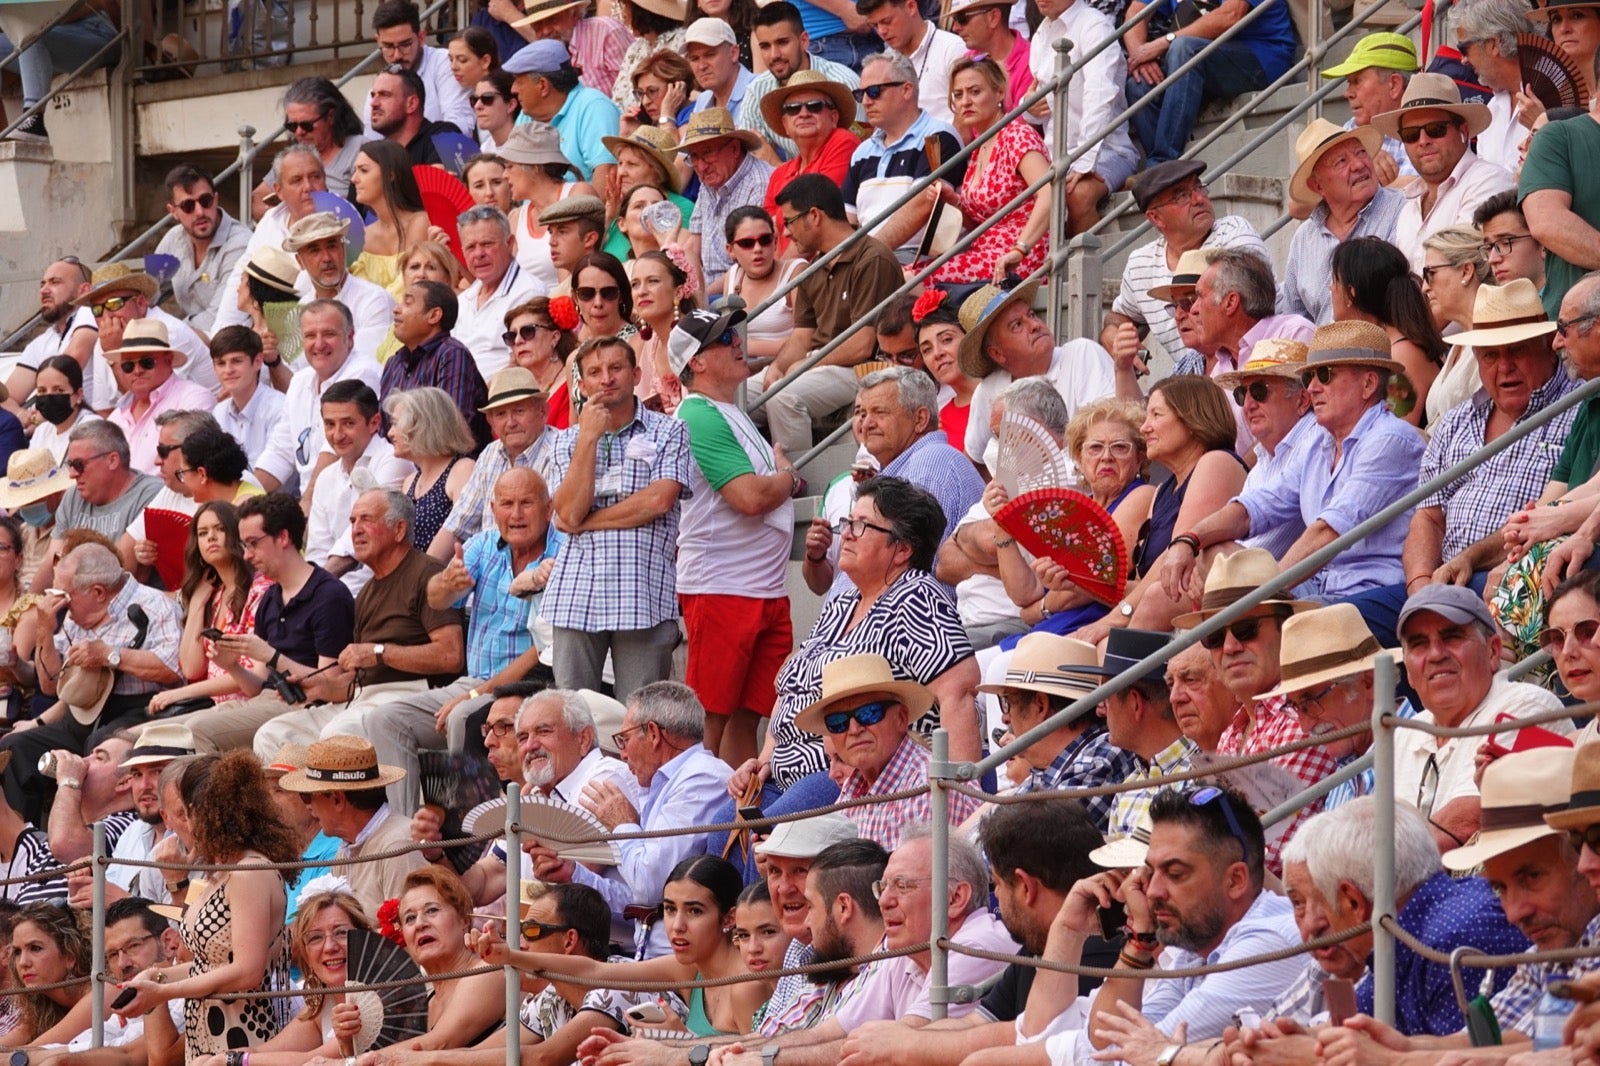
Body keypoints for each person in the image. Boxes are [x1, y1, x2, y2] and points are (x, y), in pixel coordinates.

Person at [1350, 280, 1578, 642]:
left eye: (1516, 351)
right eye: (1490, 355)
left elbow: (1561, 514)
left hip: (1511, 577)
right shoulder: (1457, 421)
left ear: (1547, 347)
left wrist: (1468, 561)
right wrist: (1421, 587)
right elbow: (1427, 516)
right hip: (1445, 580)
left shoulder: (1576, 410)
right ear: (1476, 360)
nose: (1504, 367)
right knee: (1340, 621)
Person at [1008, 786, 1301, 1065]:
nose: (1150, 892)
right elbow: (1105, 1048)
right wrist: (1133, 940)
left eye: (1174, 873)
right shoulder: (1196, 945)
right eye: (1149, 873)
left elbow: (1122, 1059)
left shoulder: (1268, 941)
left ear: (1236, 880)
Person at [1161, 321, 1427, 600]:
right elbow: (1256, 507)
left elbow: (1329, 533)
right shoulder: (1320, 444)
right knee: (1213, 555)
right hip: (1319, 588)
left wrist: (1262, 597)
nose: (1311, 388)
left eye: (1324, 375)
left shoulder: (1389, 439)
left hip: (1371, 593)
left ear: (1369, 384)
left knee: (1249, 616)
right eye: (1309, 377)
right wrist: (1189, 539)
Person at [761, 476, 982, 791]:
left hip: (851, 776)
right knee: (716, 833)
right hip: (779, 775)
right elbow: (790, 688)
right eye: (848, 522)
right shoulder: (843, 603)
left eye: (862, 525)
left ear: (903, 548)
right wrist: (765, 759)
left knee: (756, 839)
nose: (846, 534)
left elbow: (958, 692)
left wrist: (957, 802)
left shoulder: (915, 597)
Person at [1266, 796, 1527, 1039]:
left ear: (1353, 902)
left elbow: (1465, 1057)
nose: (1313, 923)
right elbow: (1343, 1033)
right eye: (1299, 903)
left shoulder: (1451, 942)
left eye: (1322, 900)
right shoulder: (1400, 941)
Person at [668, 309, 797, 767]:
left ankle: (738, 826)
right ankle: (695, 822)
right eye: (724, 338)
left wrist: (778, 480)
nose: (737, 340)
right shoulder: (698, 414)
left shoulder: (727, 412)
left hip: (759, 588)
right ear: (697, 362)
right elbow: (750, 497)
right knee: (711, 720)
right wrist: (787, 477)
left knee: (747, 718)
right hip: (721, 588)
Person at [116, 752, 298, 1057]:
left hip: (242, 1036)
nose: (178, 826)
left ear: (209, 814)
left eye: (186, 813)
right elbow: (207, 964)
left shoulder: (249, 872)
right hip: (208, 1035)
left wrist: (163, 992)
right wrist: (155, 976)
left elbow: (247, 971)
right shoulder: (222, 872)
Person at [545, 337, 690, 699]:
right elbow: (568, 511)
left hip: (641, 592)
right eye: (594, 372)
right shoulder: (567, 441)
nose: (606, 378)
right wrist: (588, 440)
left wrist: (587, 523)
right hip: (576, 593)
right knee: (572, 717)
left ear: (636, 373)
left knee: (642, 718)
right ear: (581, 385)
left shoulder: (669, 429)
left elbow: (658, 500)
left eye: (616, 368)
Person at [484, 855, 769, 1034]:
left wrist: (682, 1042)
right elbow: (595, 972)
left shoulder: (746, 986)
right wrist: (508, 955)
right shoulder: (689, 969)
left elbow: (755, 1059)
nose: (677, 925)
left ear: (729, 918)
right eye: (670, 910)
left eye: (694, 911)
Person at [170, 492, 356, 755]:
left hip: (305, 705)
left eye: (253, 543)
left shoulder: (329, 596)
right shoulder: (271, 597)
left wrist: (272, 655)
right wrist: (230, 665)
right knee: (158, 734)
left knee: (198, 728)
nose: (246, 555)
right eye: (244, 545)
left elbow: (328, 685)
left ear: (283, 538)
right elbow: (255, 685)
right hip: (264, 699)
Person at [1391, 584, 1567, 851]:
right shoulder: (1403, 735)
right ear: (1409, 673)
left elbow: (1465, 823)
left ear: (1493, 651)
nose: (1436, 654)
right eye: (1419, 644)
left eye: (1451, 638)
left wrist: (1375, 872)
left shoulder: (1527, 706)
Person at [1074, 375, 1246, 641]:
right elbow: (1148, 582)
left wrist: (1114, 618)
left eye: (1156, 415)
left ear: (1192, 420)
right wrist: (1082, 583)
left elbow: (1174, 561)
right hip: (1159, 618)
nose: (1145, 428)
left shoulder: (1216, 463)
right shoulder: (1163, 491)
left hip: (1196, 625)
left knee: (1100, 644)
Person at [760, 176, 905, 457]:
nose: (786, 233)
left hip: (864, 367)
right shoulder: (814, 267)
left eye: (789, 221)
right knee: (736, 394)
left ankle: (796, 483)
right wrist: (779, 366)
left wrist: (806, 364)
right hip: (822, 364)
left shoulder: (872, 258)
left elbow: (863, 344)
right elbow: (802, 336)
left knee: (783, 396)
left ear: (814, 215)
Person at [1102, 162, 1270, 366]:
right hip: (1196, 381)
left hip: (1259, 364)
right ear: (1155, 217)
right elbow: (1120, 315)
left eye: (1198, 187)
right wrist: (1113, 334)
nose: (1199, 198)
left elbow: (1247, 315)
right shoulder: (1141, 265)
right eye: (1182, 195)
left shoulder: (1233, 233)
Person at [978, 635, 1143, 833]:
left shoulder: (1100, 757)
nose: (1005, 718)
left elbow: (1029, 846)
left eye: (1008, 703)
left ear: (1040, 705)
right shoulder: (1047, 770)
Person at [958, 280, 1134, 466]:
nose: (1034, 325)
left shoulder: (1082, 353)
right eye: (1017, 325)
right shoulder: (988, 390)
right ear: (997, 353)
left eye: (1031, 315)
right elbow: (974, 460)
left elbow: (1120, 430)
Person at [1122, 0, 1294, 166]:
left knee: (1184, 47)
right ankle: (1170, 175)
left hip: (1261, 56)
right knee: (1139, 85)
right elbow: (1135, 13)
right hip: (1205, 58)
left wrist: (1163, 42)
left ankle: (1164, 162)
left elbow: (1230, 15)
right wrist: (1140, 56)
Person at [1373, 73, 1516, 272]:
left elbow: (1457, 267)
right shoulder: (1408, 207)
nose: (1423, 141)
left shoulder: (1489, 182)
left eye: (1436, 129)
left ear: (1463, 131)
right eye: (1411, 134)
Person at [930, 57, 1051, 286]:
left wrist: (1020, 248)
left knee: (914, 279)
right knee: (905, 274)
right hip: (985, 252)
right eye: (958, 95)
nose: (965, 102)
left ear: (999, 93)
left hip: (1020, 255)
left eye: (975, 92)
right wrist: (953, 201)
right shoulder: (979, 147)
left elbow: (1050, 193)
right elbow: (983, 222)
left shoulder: (1016, 134)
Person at [146, 502, 273, 715]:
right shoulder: (214, 594)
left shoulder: (261, 590)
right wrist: (197, 601)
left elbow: (253, 673)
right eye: (203, 533)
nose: (211, 537)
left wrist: (181, 693)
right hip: (215, 707)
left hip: (248, 707)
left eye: (220, 529)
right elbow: (191, 667)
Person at [277, 735, 427, 914]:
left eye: (307, 796)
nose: (308, 806)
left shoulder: (398, 846)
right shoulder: (345, 850)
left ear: (337, 800)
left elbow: (409, 932)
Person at [1279, 119, 1406, 326]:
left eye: (1361, 153)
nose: (1358, 165)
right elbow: (1295, 321)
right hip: (1322, 355)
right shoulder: (1304, 238)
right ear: (1317, 186)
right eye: (1341, 162)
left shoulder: (1401, 210)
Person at [838, 54, 961, 264]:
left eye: (874, 92)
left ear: (906, 90)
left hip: (919, 258)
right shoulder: (862, 152)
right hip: (870, 260)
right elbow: (847, 222)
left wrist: (866, 258)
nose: (866, 102)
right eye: (860, 94)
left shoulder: (938, 137)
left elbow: (924, 204)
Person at [253, 300, 383, 497]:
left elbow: (333, 451)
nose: (319, 344)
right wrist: (243, 498)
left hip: (350, 496)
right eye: (310, 336)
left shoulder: (363, 373)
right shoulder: (299, 381)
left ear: (350, 338)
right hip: (309, 499)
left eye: (329, 334)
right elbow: (280, 451)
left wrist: (305, 507)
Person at [430, 366, 562, 559]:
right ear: (490, 421)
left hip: (542, 569)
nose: (510, 422)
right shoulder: (490, 454)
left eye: (519, 411)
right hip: (489, 570)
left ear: (542, 412)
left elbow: (558, 530)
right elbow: (456, 526)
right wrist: (424, 582)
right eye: (500, 414)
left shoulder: (561, 448)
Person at [237, 884, 374, 1065]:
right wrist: (216, 1058)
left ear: (364, 938)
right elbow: (263, 1051)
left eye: (341, 933)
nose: (330, 947)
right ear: (305, 953)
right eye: (316, 937)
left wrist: (236, 1060)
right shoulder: (323, 1004)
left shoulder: (373, 999)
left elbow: (308, 1061)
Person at [304, 382, 415, 592]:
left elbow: (365, 533)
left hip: (383, 592)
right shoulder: (326, 477)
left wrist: (313, 589)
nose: (337, 435)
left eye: (348, 423)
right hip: (333, 594)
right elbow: (318, 551)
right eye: (329, 424)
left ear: (374, 423)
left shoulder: (392, 460)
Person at [1213, 340, 1316, 561]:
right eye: (1242, 394)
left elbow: (1256, 555)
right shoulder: (1263, 461)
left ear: (1303, 400)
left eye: (1260, 392)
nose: (1248, 404)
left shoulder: (1315, 443)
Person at [1330, 236, 1448, 424]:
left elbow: (1396, 433)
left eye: (1335, 280)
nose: (1331, 288)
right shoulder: (1390, 346)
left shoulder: (1402, 355)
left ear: (1351, 292)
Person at [737, 2, 860, 160]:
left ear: (804, 40)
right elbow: (751, 159)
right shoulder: (757, 90)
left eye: (782, 42)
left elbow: (855, 158)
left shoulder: (843, 83)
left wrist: (776, 166)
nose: (774, 55)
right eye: (765, 46)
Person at [96, 320, 216, 478]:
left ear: (168, 360)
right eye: (128, 366)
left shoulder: (194, 400)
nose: (137, 371)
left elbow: (191, 467)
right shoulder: (115, 417)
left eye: (146, 362)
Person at [383, 281, 494, 452]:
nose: (396, 309)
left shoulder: (452, 354)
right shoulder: (394, 362)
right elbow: (384, 428)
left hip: (451, 468)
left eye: (408, 303)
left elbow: (450, 428)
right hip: (402, 462)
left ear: (434, 315)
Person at [761, 71, 861, 249]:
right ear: (785, 124)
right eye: (793, 108)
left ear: (833, 117)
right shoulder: (779, 174)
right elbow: (766, 235)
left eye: (814, 106)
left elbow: (815, 224)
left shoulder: (843, 142)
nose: (804, 113)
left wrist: (788, 274)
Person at [284, 211, 398, 363]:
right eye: (315, 250)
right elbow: (293, 375)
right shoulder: (298, 311)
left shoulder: (373, 299)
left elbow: (367, 367)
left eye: (332, 246)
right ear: (300, 261)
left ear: (343, 248)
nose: (326, 258)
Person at [680, 109, 776, 287]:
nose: (701, 167)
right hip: (708, 289)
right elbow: (694, 244)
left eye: (708, 153)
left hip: (741, 290)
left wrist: (702, 300)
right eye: (694, 156)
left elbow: (749, 264)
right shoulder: (710, 181)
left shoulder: (760, 184)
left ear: (734, 148)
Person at [505, 40, 619, 187]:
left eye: (519, 82)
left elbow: (607, 179)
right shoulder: (526, 115)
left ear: (543, 85)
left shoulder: (594, 107)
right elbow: (510, 174)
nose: (513, 89)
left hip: (582, 208)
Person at [154, 164, 250, 334]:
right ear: (173, 212)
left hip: (232, 341)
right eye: (188, 206)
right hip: (190, 337)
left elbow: (219, 316)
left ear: (216, 199)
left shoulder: (240, 244)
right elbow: (149, 289)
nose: (199, 212)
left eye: (206, 201)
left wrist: (168, 333)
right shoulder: (173, 239)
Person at [1319, 32, 1421, 188]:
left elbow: (1416, 188)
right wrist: (1363, 160)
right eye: (1349, 82)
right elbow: (1299, 204)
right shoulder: (1351, 128)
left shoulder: (1427, 126)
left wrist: (1362, 176)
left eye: (1357, 81)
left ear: (1394, 85)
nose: (1348, 93)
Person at [384, 387, 479, 551]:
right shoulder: (409, 481)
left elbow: (459, 536)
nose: (390, 433)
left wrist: (420, 576)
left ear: (422, 425)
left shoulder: (462, 470)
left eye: (395, 424)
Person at [502, 124, 594, 292]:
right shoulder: (515, 217)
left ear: (534, 167)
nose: (504, 175)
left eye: (509, 166)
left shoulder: (577, 193)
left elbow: (575, 267)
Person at [252, 76, 368, 209]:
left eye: (306, 125)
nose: (299, 132)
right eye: (292, 126)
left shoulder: (361, 149)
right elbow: (258, 197)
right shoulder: (294, 157)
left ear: (330, 116)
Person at [1418, 226, 1494, 425]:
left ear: (1466, 271)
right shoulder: (1459, 343)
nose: (1424, 287)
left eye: (1430, 273)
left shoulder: (1495, 340)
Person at [1455, 0, 1543, 170]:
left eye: (1464, 49)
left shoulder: (1556, 94)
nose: (1463, 60)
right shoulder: (1492, 108)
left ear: (1494, 44)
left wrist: (1542, 126)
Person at [5, 260, 96, 413]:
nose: (44, 290)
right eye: (42, 284)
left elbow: (70, 364)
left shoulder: (91, 314)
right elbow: (8, 397)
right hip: (51, 429)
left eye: (55, 282)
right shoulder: (41, 342)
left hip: (88, 424)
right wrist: (24, 416)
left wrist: (40, 418)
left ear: (84, 290)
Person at [855, 0, 964, 124]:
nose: (882, 31)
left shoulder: (952, 49)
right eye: (875, 26)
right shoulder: (884, 62)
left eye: (887, 21)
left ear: (911, 7)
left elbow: (966, 119)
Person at [348, 139, 434, 290]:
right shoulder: (363, 235)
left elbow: (412, 287)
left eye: (364, 170)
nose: (354, 179)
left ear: (390, 175)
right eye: (355, 171)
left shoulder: (420, 222)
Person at [0, 904, 89, 1046]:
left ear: (70, 956)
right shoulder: (40, 1005)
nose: (23, 962)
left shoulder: (101, 992)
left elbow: (30, 1053)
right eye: (17, 952)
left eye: (35, 948)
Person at [600, 127, 695, 260]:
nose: (621, 172)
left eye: (632, 164)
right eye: (620, 164)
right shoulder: (620, 208)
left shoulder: (680, 208)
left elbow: (680, 262)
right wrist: (609, 218)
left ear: (657, 172)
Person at [508, 0, 632, 100]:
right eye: (538, 25)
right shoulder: (543, 57)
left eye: (552, 20)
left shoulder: (606, 32)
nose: (546, 31)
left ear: (574, 14)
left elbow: (632, 91)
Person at [209, 326, 284, 466]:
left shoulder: (279, 409)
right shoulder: (219, 412)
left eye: (237, 361)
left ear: (257, 362)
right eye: (221, 363)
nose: (228, 370)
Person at [368, 65, 468, 168]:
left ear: (411, 104)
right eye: (373, 95)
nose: (373, 103)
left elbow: (440, 181)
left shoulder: (446, 134)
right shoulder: (377, 154)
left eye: (384, 95)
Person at [24, 357, 98, 466]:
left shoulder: (93, 428)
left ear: (79, 394)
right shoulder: (42, 431)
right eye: (42, 390)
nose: (49, 396)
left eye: (58, 390)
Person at [686, 18, 754, 118]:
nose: (702, 66)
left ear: (734, 53)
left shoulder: (759, 91)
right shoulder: (703, 100)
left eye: (710, 55)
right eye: (695, 58)